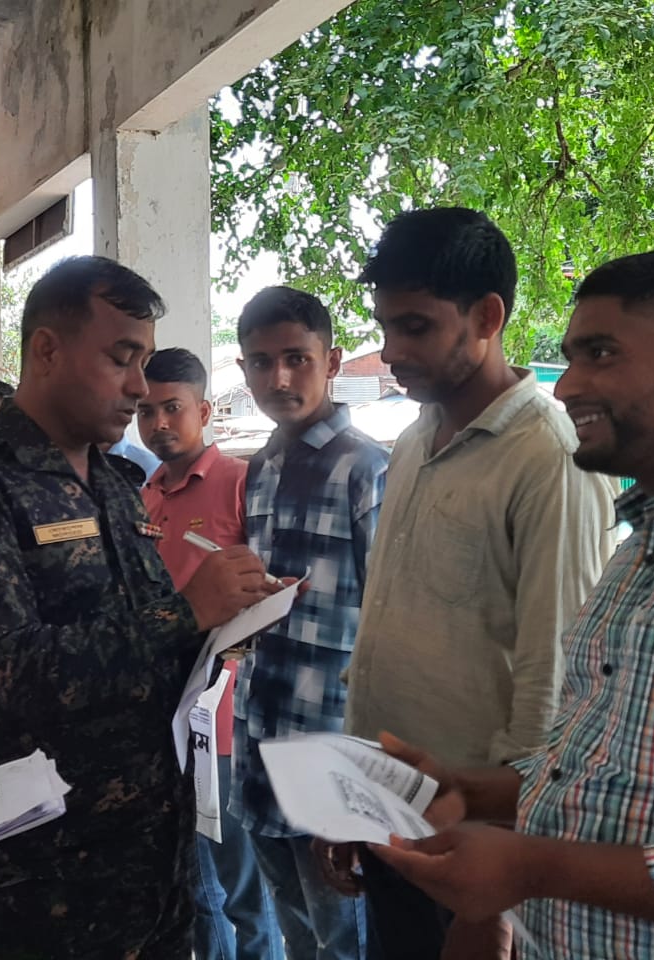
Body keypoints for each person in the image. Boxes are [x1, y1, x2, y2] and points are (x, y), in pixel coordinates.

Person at [0, 255, 277, 959]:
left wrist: (223, 632)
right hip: (39, 888)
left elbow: (144, 644)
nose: (139, 387)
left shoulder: (115, 483)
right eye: (121, 359)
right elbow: (16, 674)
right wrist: (185, 613)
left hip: (155, 868)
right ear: (47, 350)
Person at [372, 248, 654, 960]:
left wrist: (528, 867)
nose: (567, 387)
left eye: (602, 354)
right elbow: (590, 773)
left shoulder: (548, 464)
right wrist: (468, 788)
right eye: (570, 356)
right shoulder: (642, 551)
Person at [336, 207, 614, 959]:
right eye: (385, 326)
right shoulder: (414, 438)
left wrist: (498, 880)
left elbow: (552, 673)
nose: (391, 350)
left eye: (416, 327)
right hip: (392, 807)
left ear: (487, 315)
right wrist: (356, 802)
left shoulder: (549, 459)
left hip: (475, 846)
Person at [231, 287, 388, 960]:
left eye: (297, 358)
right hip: (260, 733)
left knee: (342, 937)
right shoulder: (260, 468)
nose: (280, 378)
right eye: (262, 363)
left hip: (332, 745)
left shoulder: (368, 468)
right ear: (243, 373)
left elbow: (389, 623)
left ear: (333, 361)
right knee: (294, 928)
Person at [137, 347, 285, 960]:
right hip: (161, 712)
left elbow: (273, 591)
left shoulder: (240, 484)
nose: (159, 423)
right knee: (193, 885)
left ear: (203, 409)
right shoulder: (144, 495)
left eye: (173, 408)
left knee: (244, 887)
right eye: (146, 411)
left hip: (222, 718)